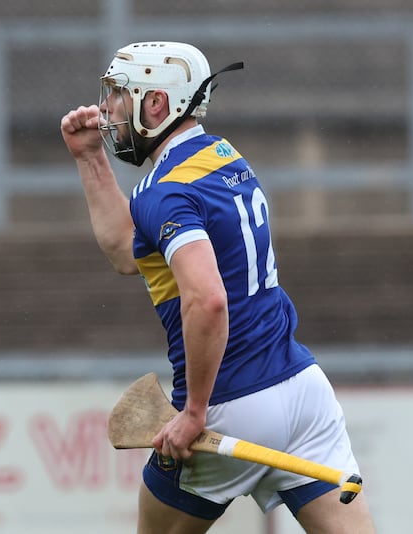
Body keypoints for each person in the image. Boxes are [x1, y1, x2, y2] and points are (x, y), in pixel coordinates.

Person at [60, 41, 375, 534]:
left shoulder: (163, 190)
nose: (106, 109)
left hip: (229, 405)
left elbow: (207, 300)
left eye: (119, 95)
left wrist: (194, 412)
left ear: (157, 104)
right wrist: (90, 158)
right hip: (303, 391)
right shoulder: (223, 157)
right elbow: (130, 252)